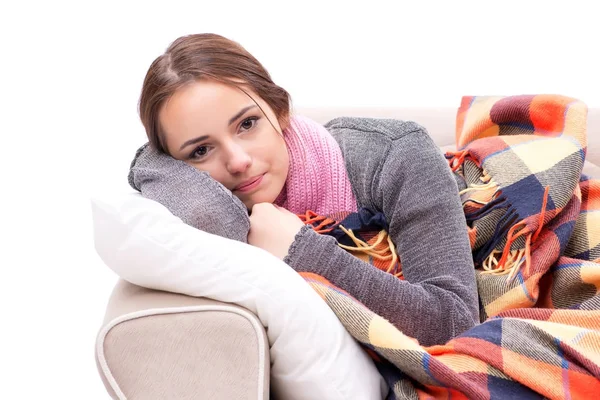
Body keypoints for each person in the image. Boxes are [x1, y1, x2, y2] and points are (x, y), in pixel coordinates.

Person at [133, 33, 479, 346]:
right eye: (200, 150)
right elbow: (151, 170)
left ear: (280, 111)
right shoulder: (205, 195)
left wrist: (302, 251)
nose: (238, 162)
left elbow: (454, 322)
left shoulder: (395, 154)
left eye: (247, 124)